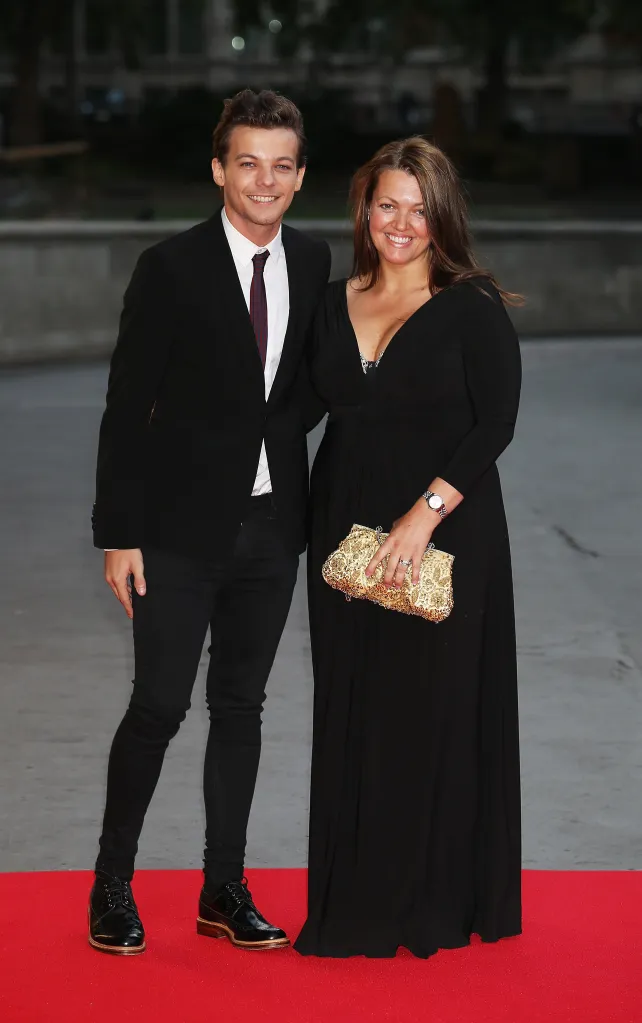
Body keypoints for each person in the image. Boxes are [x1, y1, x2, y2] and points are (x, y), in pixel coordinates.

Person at [88, 89, 331, 955]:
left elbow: (303, 384)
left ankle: (221, 887)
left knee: (241, 705)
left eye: (281, 165)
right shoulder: (170, 267)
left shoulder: (311, 260)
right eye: (247, 162)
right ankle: (111, 884)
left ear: (299, 177)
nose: (263, 180)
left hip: (272, 529)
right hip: (175, 533)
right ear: (220, 169)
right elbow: (126, 408)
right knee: (157, 704)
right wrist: (117, 532)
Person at [294, 137, 522, 959]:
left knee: (431, 707)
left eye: (418, 208)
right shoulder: (327, 303)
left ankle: (432, 904)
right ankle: (354, 904)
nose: (400, 222)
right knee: (352, 706)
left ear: (441, 216)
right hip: (343, 537)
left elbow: (494, 423)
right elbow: (286, 412)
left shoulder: (473, 306)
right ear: (364, 209)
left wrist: (422, 516)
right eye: (386, 204)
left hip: (445, 531)